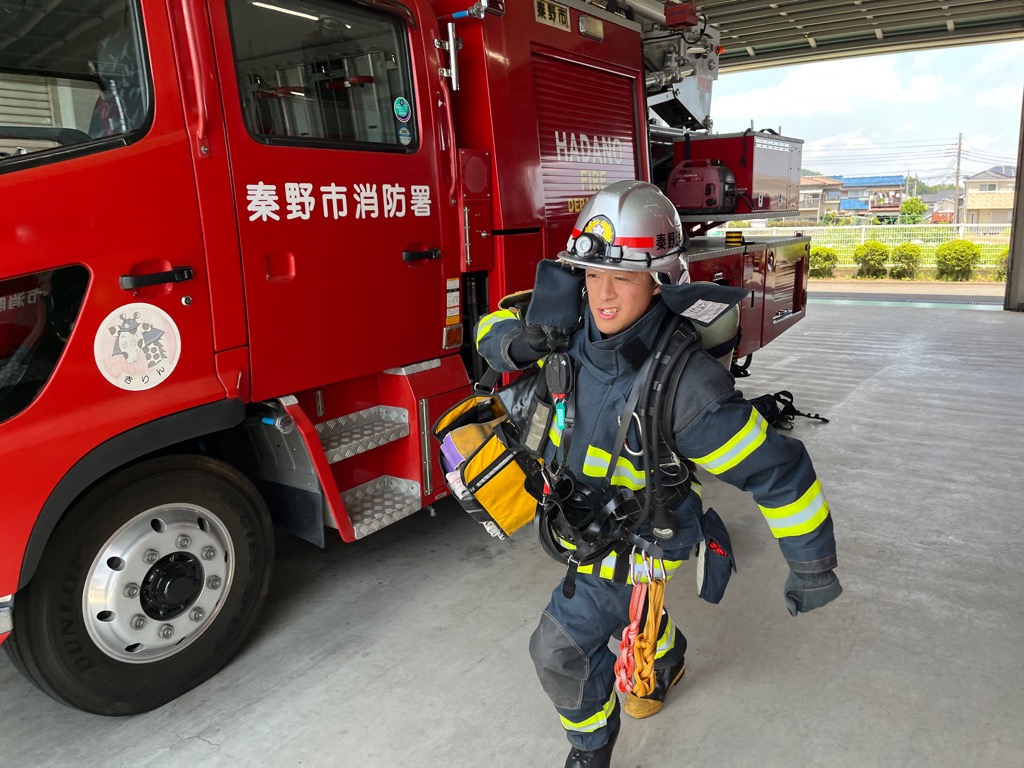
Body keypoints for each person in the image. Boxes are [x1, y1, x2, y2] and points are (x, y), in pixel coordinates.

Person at [473, 180, 841, 768]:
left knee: (560, 650)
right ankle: (661, 651)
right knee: (628, 610)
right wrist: (515, 343)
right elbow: (489, 326)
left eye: (623, 276)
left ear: (660, 279)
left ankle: (590, 749)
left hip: (644, 531)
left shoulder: (689, 390)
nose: (603, 294)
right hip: (579, 516)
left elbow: (780, 473)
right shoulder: (562, 325)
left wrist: (812, 564)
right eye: (593, 274)